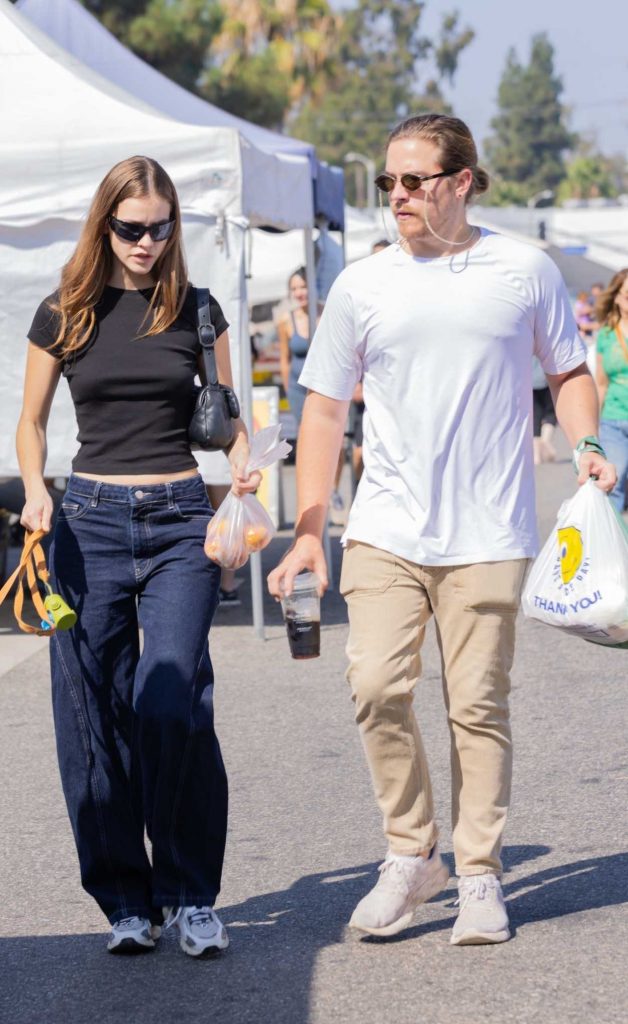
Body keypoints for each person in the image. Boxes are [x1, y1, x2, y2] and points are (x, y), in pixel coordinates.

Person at [268, 114, 615, 947]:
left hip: (490, 531)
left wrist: (588, 443)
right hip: (384, 526)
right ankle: (411, 852)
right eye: (389, 182)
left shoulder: (522, 270)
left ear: (462, 181)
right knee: (377, 687)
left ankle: (480, 875)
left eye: (415, 181)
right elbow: (321, 408)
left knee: (477, 707)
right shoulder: (363, 283)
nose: (398, 197)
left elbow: (567, 370)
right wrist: (310, 529)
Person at [16, 155, 260, 957]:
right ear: (104, 223)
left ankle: (189, 891)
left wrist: (247, 463)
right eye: (130, 228)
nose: (146, 242)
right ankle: (126, 899)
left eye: (160, 227)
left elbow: (227, 418)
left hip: (181, 519)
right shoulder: (66, 312)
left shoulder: (196, 311)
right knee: (93, 714)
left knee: (172, 699)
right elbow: (31, 420)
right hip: (84, 522)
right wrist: (36, 490)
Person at [595, 268, 628, 513]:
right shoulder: (606, 335)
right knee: (612, 485)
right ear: (616, 297)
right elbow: (601, 383)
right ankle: (614, 546)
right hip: (613, 420)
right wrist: (591, 428)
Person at [532, 356, 558, 464]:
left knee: (535, 418)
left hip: (531, 382)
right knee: (551, 413)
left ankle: (536, 456)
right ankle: (545, 440)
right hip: (546, 381)